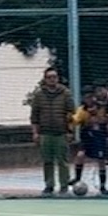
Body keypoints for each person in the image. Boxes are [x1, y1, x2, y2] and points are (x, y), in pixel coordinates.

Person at [30, 67, 74, 196]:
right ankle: (49, 185)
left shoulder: (66, 93)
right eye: (49, 77)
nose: (52, 79)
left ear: (58, 78)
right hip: (45, 133)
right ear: (45, 79)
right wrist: (35, 133)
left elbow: (71, 113)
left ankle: (64, 186)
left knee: (62, 161)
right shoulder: (39, 95)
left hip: (61, 132)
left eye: (54, 77)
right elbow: (34, 116)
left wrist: (70, 131)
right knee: (47, 161)